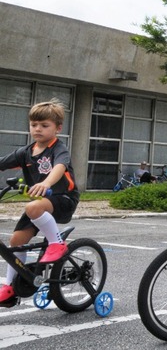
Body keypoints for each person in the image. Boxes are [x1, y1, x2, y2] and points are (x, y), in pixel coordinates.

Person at [0, 100, 80, 304]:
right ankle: (10, 287)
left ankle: (57, 244)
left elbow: (60, 167)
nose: (38, 129)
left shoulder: (58, 148)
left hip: (63, 199)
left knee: (33, 206)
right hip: (40, 205)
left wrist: (46, 183)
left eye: (44, 125)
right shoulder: (26, 152)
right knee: (15, 243)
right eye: (34, 125)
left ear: (57, 128)